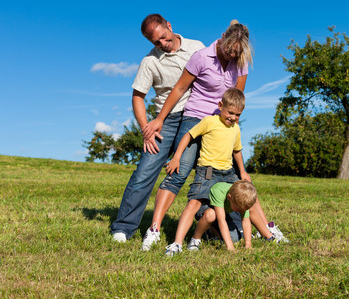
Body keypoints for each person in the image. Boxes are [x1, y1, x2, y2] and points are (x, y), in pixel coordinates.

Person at [140, 20, 288, 251]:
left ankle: (266, 230)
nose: (231, 54)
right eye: (229, 48)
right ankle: (154, 230)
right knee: (178, 171)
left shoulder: (240, 62)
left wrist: (230, 125)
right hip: (196, 118)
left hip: (223, 122)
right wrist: (159, 119)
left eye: (236, 51)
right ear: (222, 37)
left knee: (241, 179)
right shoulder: (201, 57)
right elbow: (179, 89)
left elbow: (237, 95)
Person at [110, 14, 205, 243]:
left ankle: (211, 227)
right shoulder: (150, 62)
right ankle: (122, 228)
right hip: (166, 120)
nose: (162, 44)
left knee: (205, 170)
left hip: (196, 116)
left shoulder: (196, 48)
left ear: (169, 26)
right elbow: (138, 96)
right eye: (156, 42)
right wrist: (146, 129)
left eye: (163, 37)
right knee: (144, 172)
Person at [163, 89, 277, 256]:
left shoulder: (235, 129)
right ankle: (177, 243)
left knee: (246, 199)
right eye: (230, 112)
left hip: (228, 173)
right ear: (220, 106)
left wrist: (243, 171)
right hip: (208, 172)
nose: (233, 117)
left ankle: (269, 236)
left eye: (237, 115)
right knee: (194, 203)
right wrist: (177, 157)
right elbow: (188, 135)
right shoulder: (209, 121)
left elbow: (237, 151)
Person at [188, 180, 259, 252]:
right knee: (211, 215)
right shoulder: (218, 191)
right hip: (205, 208)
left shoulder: (243, 199)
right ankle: (195, 239)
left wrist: (248, 244)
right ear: (229, 197)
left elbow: (246, 221)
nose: (242, 212)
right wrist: (230, 247)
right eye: (239, 210)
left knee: (234, 239)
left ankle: (212, 230)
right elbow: (221, 220)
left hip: (223, 212)